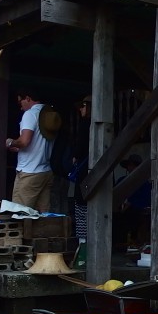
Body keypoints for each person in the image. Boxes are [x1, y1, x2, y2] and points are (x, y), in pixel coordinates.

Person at [5, 89, 57, 213]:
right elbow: (39, 142)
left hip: (29, 172)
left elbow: (24, 141)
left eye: (20, 102)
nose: (21, 107)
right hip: (45, 171)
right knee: (43, 215)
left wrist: (10, 142)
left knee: (20, 213)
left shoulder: (30, 114)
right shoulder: (48, 113)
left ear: (27, 98)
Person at [115, 154, 151, 250]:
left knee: (134, 215)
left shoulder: (144, 183)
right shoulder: (121, 180)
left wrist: (130, 204)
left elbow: (145, 200)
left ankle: (134, 242)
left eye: (133, 165)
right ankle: (118, 244)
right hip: (119, 209)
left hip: (136, 210)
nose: (130, 168)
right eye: (129, 165)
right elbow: (115, 195)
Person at [71, 96, 91, 243]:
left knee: (81, 207)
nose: (81, 109)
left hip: (86, 171)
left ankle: (83, 243)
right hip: (100, 170)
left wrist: (75, 156)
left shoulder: (85, 124)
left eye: (84, 106)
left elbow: (81, 146)